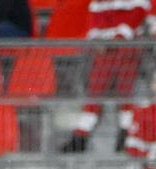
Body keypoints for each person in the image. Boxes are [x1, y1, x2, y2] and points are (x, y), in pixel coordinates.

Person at [60, 1, 153, 153]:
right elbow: (95, 19)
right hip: (104, 49)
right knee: (95, 90)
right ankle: (82, 135)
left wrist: (116, 38)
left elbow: (136, 14)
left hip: (126, 47)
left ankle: (125, 133)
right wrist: (98, 39)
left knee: (125, 92)